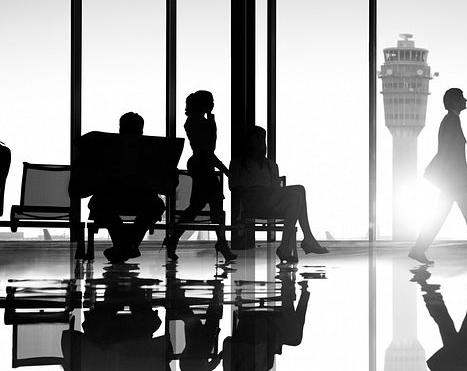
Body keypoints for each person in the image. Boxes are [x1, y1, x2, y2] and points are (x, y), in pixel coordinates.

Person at [409, 88, 467, 265]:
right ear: (454, 102)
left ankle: (419, 249)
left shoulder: (451, 120)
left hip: (452, 180)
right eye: (462, 98)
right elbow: (451, 153)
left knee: (449, 215)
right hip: (455, 181)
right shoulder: (451, 121)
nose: (466, 100)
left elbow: (450, 152)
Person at [228, 126, 328, 264]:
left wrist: (266, 192)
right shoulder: (238, 163)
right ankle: (306, 239)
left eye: (262, 138)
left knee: (297, 196)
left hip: (269, 201)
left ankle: (286, 247)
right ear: (248, 141)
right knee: (299, 190)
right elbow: (233, 187)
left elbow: (274, 190)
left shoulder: (271, 165)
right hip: (252, 203)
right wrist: (253, 190)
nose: (260, 141)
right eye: (256, 138)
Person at [83, 112, 173, 264]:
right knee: (157, 206)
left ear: (120, 129)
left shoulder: (107, 148)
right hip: (142, 200)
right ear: (141, 131)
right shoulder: (150, 152)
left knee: (98, 204)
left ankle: (123, 246)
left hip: (111, 199)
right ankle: (128, 245)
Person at [165, 91, 236, 262]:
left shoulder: (197, 122)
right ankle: (220, 243)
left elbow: (209, 150)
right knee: (206, 205)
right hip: (202, 164)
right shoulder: (197, 123)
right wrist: (225, 170)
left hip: (202, 164)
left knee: (204, 206)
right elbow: (208, 149)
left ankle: (175, 239)